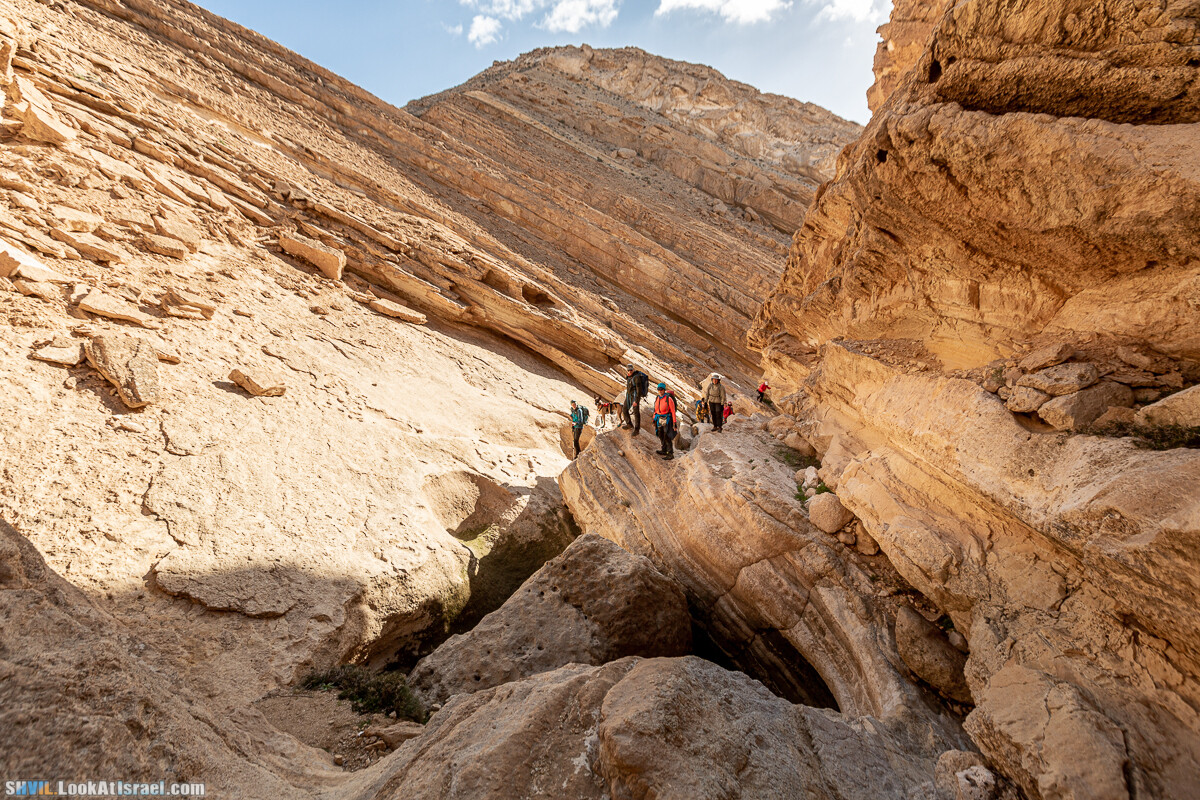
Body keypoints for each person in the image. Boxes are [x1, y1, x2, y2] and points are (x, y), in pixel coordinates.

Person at [621, 364, 650, 436]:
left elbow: (638, 390)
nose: (630, 371)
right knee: (624, 409)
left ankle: (637, 429)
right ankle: (629, 424)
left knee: (636, 412)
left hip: (635, 396)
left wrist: (636, 401)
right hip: (629, 396)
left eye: (631, 370)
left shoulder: (636, 377)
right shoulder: (629, 376)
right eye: (628, 370)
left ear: (633, 369)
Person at [653, 382, 677, 460]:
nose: (660, 391)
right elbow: (655, 410)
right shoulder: (657, 398)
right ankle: (664, 449)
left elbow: (673, 411)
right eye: (659, 389)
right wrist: (654, 419)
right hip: (659, 418)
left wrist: (674, 423)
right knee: (660, 434)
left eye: (661, 389)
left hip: (667, 419)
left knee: (667, 436)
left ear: (664, 390)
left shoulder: (669, 399)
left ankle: (670, 453)